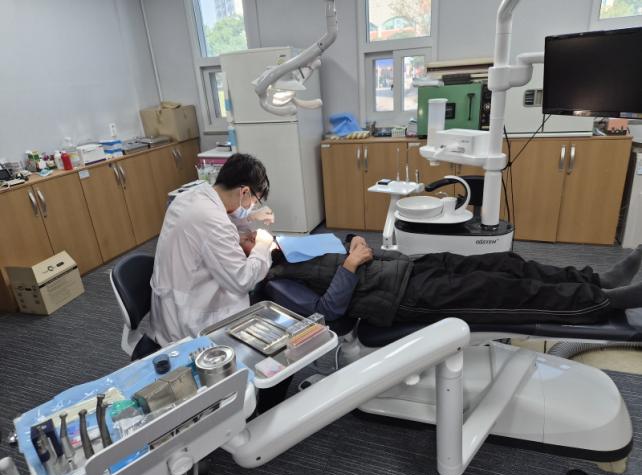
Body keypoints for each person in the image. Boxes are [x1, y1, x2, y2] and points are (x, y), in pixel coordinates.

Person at [254, 236, 642, 327]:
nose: (248, 233)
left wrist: (354, 242)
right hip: (402, 297)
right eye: (241, 238)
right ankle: (605, 301)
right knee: (500, 291)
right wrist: (351, 264)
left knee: (503, 262)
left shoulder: (286, 248)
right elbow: (326, 313)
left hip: (410, 267)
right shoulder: (278, 284)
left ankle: (597, 278)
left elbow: (340, 244)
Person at [148, 153, 275, 348]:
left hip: (170, 303)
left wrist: (248, 219)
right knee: (258, 298)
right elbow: (242, 280)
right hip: (189, 323)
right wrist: (264, 244)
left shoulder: (193, 195)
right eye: (254, 201)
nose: (251, 207)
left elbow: (207, 234)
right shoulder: (213, 221)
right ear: (244, 192)